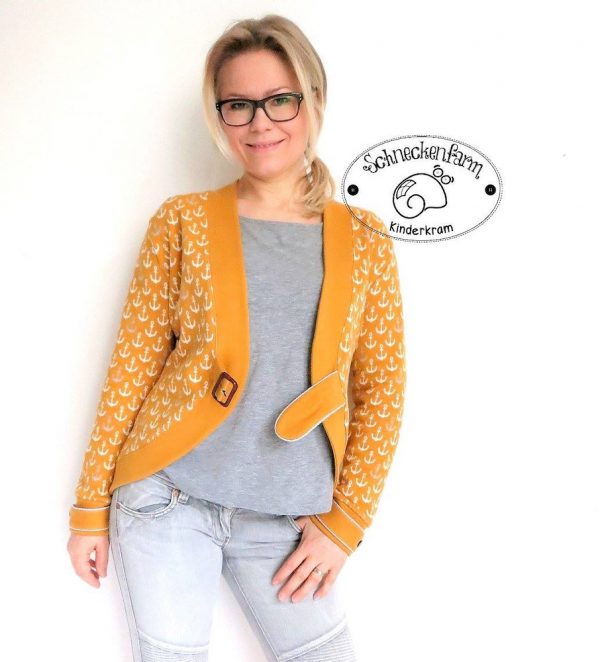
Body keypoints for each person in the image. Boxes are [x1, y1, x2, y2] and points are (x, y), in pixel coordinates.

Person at [66, 14, 406, 662]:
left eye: (280, 99)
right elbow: (133, 367)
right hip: (167, 498)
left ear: (313, 100)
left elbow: (381, 390)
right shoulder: (182, 223)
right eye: (238, 105)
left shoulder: (365, 240)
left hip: (286, 516)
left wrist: (347, 522)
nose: (260, 123)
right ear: (219, 115)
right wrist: (89, 506)